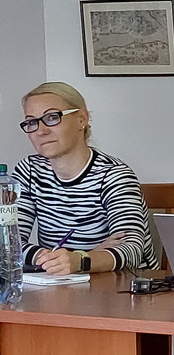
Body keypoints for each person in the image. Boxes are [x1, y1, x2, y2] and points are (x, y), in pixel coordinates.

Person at [13, 81, 157, 273]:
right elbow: (7, 241)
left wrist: (79, 260)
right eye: (32, 122)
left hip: (126, 284)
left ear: (82, 119)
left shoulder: (113, 175)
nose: (41, 131)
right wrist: (54, 259)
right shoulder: (29, 170)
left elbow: (131, 250)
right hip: (61, 283)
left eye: (52, 117)